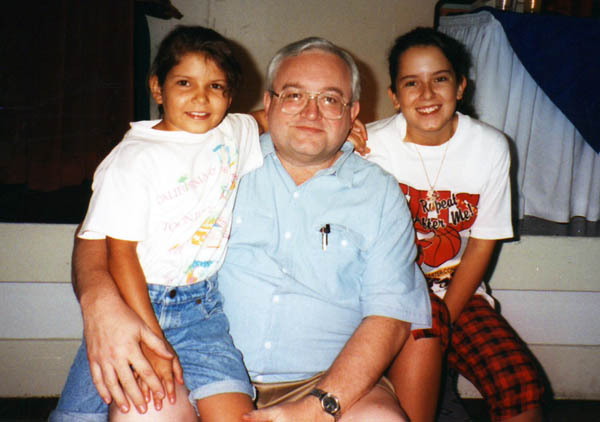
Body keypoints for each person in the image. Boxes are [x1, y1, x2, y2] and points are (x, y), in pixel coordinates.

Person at [61, 36, 432, 422]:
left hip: (330, 381)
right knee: (144, 412)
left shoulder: (380, 193)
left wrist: (321, 405)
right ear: (268, 104)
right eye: (293, 95)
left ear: (353, 111)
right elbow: (100, 234)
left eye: (330, 99)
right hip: (194, 365)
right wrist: (98, 301)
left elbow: (390, 314)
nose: (311, 112)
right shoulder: (218, 157)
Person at [50, 25, 264, 422]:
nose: (201, 97)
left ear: (229, 95)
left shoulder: (233, 132)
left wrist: (352, 133)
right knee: (80, 414)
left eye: (216, 86)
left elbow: (268, 118)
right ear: (157, 88)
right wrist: (150, 336)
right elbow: (120, 254)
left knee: (238, 413)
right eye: (185, 82)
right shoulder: (133, 159)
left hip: (203, 312)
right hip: (137, 304)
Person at [366, 27, 545, 422]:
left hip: (455, 288)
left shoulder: (490, 148)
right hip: (388, 289)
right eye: (411, 83)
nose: (427, 94)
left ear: (460, 86)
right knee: (411, 396)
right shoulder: (371, 146)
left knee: (522, 385)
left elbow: (482, 245)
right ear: (395, 96)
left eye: (440, 79)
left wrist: (443, 319)